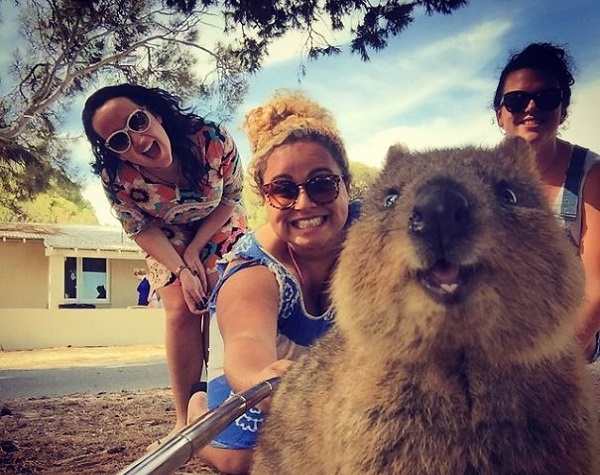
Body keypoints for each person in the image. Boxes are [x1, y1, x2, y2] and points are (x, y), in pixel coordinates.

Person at [186, 90, 359, 474]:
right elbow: (247, 345)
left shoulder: (376, 233)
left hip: (335, 367)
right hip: (269, 368)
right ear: (264, 197)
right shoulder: (253, 272)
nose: (304, 203)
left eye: (322, 184)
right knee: (242, 462)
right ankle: (194, 414)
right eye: (283, 189)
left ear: (346, 183)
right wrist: (261, 378)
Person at [81, 84, 247, 446]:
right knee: (179, 305)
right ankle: (185, 421)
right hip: (164, 233)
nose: (138, 140)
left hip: (217, 221)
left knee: (221, 291)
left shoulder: (211, 139)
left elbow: (231, 198)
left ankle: (226, 407)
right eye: (119, 140)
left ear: (155, 112)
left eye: (137, 121)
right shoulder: (117, 179)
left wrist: (197, 253)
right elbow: (139, 227)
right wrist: (183, 269)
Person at [493, 42, 600, 361]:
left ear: (562, 110)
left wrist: (544, 370)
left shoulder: (591, 175)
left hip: (568, 349)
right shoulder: (482, 177)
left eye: (546, 98)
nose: (530, 108)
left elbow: (596, 291)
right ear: (500, 115)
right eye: (516, 100)